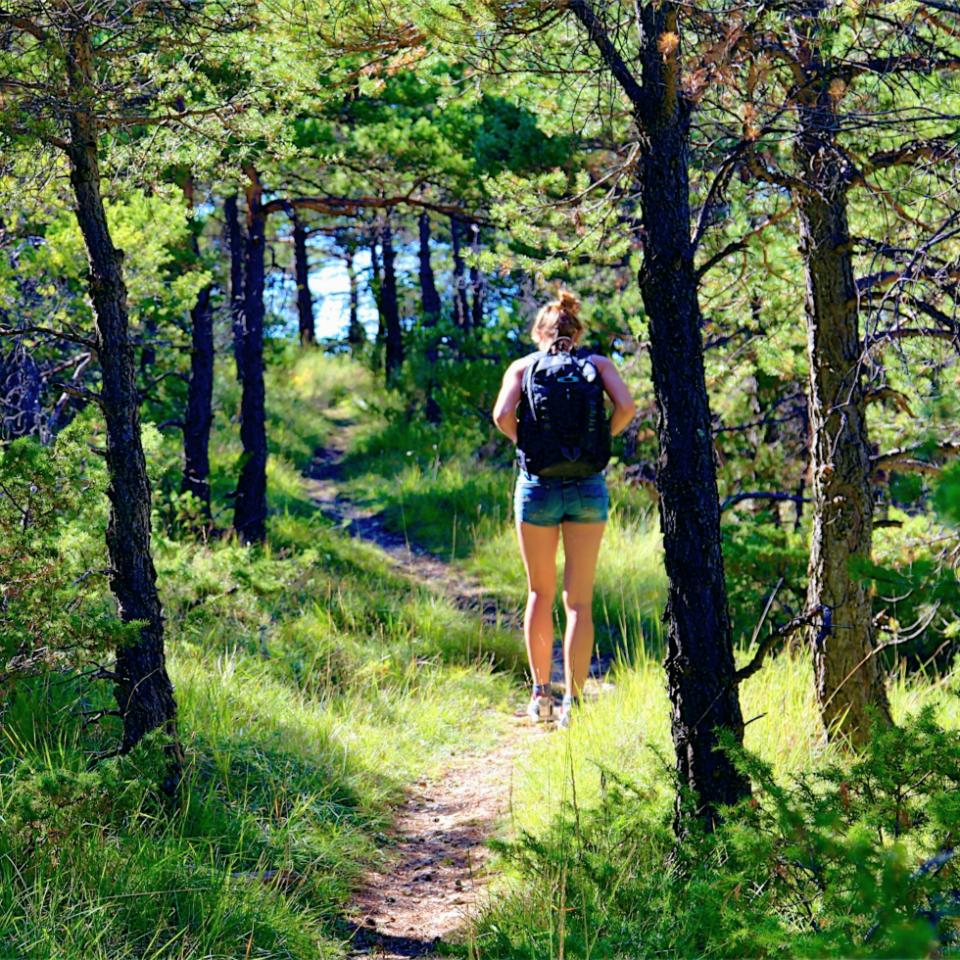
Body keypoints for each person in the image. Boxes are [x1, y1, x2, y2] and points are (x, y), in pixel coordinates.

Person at [492, 290, 637, 727]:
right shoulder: (599, 367)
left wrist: (531, 446)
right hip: (588, 488)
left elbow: (502, 415)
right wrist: (596, 444)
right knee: (580, 601)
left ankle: (541, 696)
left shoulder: (523, 366)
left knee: (540, 593)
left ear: (541, 334)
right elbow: (627, 407)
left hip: (537, 486)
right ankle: (573, 701)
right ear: (577, 333)